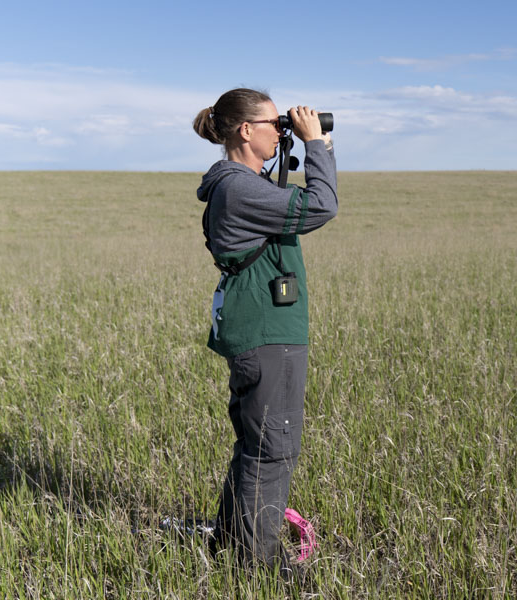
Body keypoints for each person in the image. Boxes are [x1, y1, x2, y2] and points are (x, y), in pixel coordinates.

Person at [191, 88, 337, 575]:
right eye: (274, 123)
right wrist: (316, 145)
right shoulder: (238, 187)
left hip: (264, 325)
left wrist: (307, 144)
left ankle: (231, 543)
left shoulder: (241, 182)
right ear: (245, 130)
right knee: (274, 448)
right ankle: (259, 563)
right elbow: (321, 206)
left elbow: (290, 202)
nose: (283, 130)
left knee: (257, 444)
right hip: (266, 330)